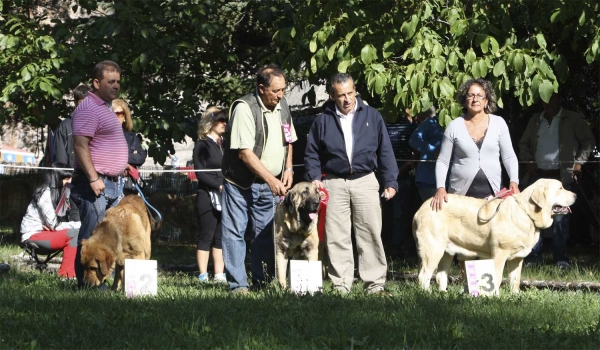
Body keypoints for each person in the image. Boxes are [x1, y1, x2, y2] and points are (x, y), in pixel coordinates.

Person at [304, 72, 399, 294]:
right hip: (333, 183)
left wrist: (390, 181)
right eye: (341, 95)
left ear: (355, 90)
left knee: (370, 233)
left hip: (366, 180)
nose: (347, 99)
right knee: (337, 236)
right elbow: (312, 154)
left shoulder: (373, 116)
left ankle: (375, 285)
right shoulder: (322, 121)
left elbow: (385, 151)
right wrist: (315, 177)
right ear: (332, 96)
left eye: (350, 93)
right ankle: (341, 286)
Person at [221, 64, 296, 293]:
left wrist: (289, 168)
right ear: (261, 88)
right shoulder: (244, 108)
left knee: (265, 235)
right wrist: (271, 180)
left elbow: (289, 139)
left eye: (283, 89)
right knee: (235, 233)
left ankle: (262, 283)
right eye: (275, 91)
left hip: (270, 184)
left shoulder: (282, 105)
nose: (280, 95)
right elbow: (244, 153)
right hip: (241, 183)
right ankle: (238, 286)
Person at [519, 92, 595, 269]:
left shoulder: (572, 118)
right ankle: (533, 257)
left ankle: (561, 258)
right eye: (544, 99)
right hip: (538, 176)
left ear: (560, 99)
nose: (547, 102)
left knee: (560, 218)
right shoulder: (535, 119)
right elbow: (523, 143)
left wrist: (579, 162)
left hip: (561, 175)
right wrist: (529, 161)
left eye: (551, 98)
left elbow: (588, 141)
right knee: (534, 214)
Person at [70, 60, 128, 286]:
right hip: (95, 183)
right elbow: (80, 145)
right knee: (90, 239)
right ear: (96, 82)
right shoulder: (88, 108)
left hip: (112, 184)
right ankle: (85, 286)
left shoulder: (104, 108)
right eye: (110, 82)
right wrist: (94, 178)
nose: (116, 86)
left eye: (118, 82)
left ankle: (101, 283)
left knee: (106, 240)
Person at [431, 78, 520, 212]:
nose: (475, 99)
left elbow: (509, 156)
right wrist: (440, 188)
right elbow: (443, 161)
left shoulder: (499, 123)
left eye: (480, 96)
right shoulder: (453, 126)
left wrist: (514, 181)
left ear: (486, 101)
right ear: (465, 99)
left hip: (493, 196)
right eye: (471, 95)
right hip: (460, 197)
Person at [20, 163, 80, 278]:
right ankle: (66, 276)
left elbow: (57, 224)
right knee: (73, 233)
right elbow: (55, 226)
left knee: (74, 232)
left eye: (71, 177)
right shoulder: (45, 195)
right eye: (66, 178)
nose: (70, 181)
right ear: (56, 178)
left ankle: (71, 274)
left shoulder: (63, 193)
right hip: (33, 236)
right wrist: (77, 225)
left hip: (46, 233)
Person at [193, 106, 228, 283]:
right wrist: (218, 185)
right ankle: (203, 275)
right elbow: (200, 173)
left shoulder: (224, 145)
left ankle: (219, 274)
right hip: (207, 195)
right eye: (221, 119)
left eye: (226, 120)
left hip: (224, 197)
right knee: (206, 235)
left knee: (220, 236)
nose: (224, 123)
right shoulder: (202, 144)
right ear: (210, 121)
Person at [112, 98, 147, 195]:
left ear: (125, 117)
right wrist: (130, 156)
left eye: (119, 114)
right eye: (112, 113)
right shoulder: (102, 136)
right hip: (109, 185)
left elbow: (140, 157)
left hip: (129, 187)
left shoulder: (132, 136)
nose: (116, 117)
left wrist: (118, 156)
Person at [409, 106, 444, 202]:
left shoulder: (458, 123)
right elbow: (413, 139)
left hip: (449, 182)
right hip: (429, 180)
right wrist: (433, 150)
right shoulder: (431, 123)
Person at [54, 84, 92, 167]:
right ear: (75, 102)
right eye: (82, 103)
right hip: (73, 176)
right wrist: (65, 178)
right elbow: (61, 159)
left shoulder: (99, 124)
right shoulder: (65, 126)